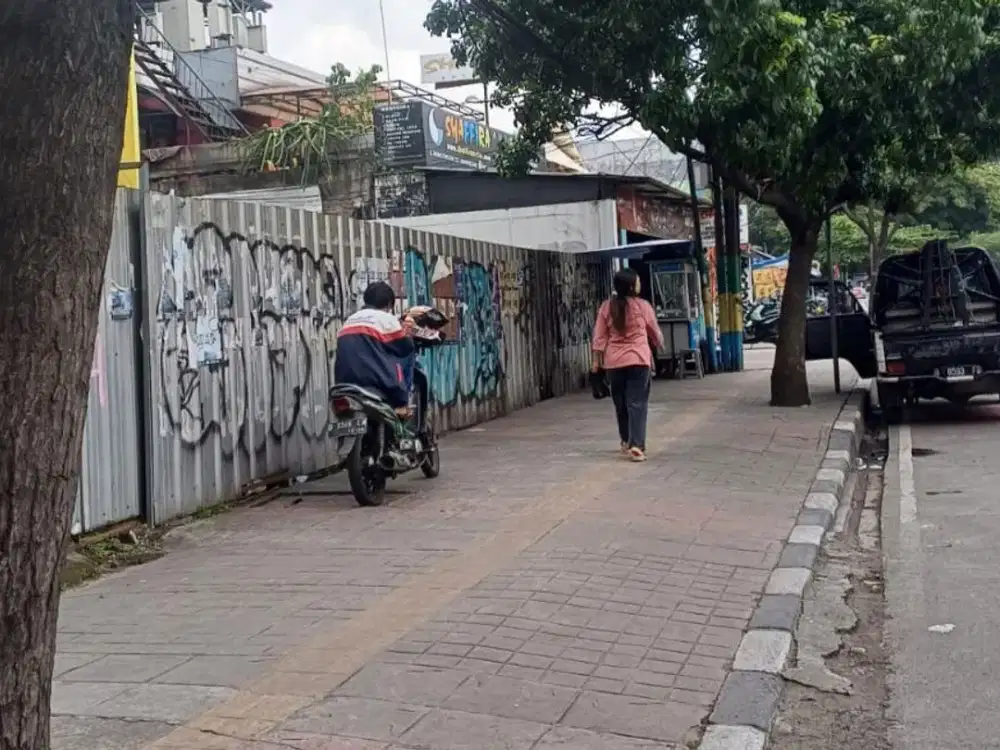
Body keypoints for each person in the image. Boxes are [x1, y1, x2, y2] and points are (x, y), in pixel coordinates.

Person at [591, 268, 664, 462]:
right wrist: (659, 345)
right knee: (637, 403)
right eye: (638, 281)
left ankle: (625, 440)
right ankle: (637, 445)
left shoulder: (606, 307)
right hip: (639, 360)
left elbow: (599, 337)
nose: (640, 284)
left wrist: (596, 363)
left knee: (621, 403)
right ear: (632, 285)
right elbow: (654, 332)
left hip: (614, 362)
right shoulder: (642, 306)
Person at [334, 281, 416, 419]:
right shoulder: (386, 319)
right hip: (376, 384)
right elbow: (405, 347)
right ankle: (402, 404)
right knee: (408, 355)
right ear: (389, 304)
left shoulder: (349, 320)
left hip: (344, 385)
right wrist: (408, 332)